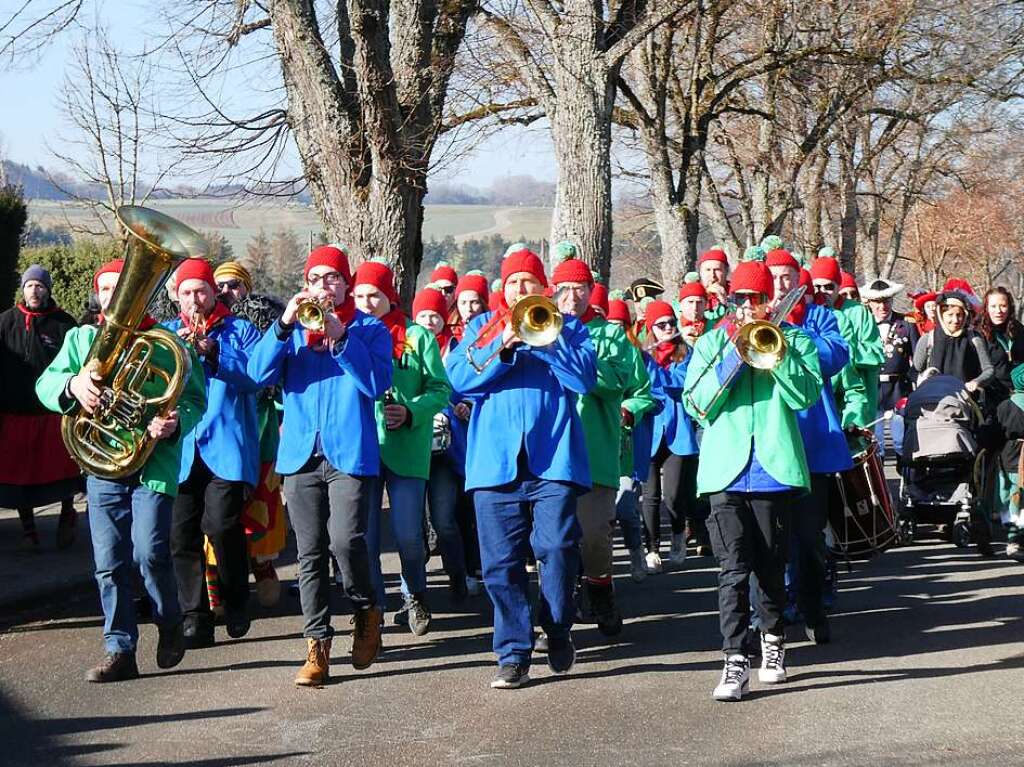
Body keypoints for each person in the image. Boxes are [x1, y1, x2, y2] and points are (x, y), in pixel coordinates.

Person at [35, 258, 207, 682]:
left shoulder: (168, 343)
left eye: (123, 288)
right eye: (108, 290)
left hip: (153, 463)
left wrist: (174, 422)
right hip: (102, 464)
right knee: (108, 562)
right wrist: (73, 386)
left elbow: (195, 399)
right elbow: (45, 385)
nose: (116, 297)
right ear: (99, 296)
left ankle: (169, 620)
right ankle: (119, 649)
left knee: (149, 553)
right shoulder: (80, 339)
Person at [446, 247, 597, 690]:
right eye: (513, 283)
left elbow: (585, 380)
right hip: (494, 465)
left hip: (553, 460)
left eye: (528, 282)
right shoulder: (481, 327)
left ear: (542, 288)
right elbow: (459, 377)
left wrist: (548, 343)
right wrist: (504, 344)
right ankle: (512, 652)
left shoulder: (567, 328)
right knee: (499, 565)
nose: (520, 290)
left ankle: (556, 626)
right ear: (502, 291)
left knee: (558, 548)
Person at [247, 245, 388, 687]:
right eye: (315, 279)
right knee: (308, 554)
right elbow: (256, 375)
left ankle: (366, 611)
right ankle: (317, 647)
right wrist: (283, 323)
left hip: (349, 453)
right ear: (306, 286)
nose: (323, 285)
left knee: (346, 543)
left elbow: (377, 383)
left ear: (346, 284)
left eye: (332, 278)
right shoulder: (290, 332)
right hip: (301, 456)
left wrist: (341, 337)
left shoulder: (369, 329)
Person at [684, 258, 822, 702]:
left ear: (770, 301)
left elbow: (805, 395)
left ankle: (774, 642)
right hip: (725, 470)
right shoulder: (710, 344)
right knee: (733, 568)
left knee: (769, 567)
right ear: (731, 301)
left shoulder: (795, 340)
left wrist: (774, 354)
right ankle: (734, 660)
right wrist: (734, 357)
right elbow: (697, 404)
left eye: (757, 299)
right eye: (741, 299)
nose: (749, 307)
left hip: (773, 469)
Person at [545, 243, 654, 640]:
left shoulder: (611, 335)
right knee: (554, 538)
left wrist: (629, 407)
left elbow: (631, 384)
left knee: (593, 534)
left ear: (592, 292)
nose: (570, 297)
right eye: (563, 289)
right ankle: (558, 608)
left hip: (597, 448)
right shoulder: (540, 327)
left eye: (579, 289)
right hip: (551, 452)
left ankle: (601, 590)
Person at [165, 259, 262, 648]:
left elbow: (257, 376)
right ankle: (195, 617)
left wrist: (216, 354)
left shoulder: (240, 331)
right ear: (177, 298)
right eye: (186, 293)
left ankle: (237, 600)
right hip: (182, 449)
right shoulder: (169, 333)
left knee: (221, 526)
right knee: (179, 536)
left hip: (227, 447)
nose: (194, 300)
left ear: (213, 292)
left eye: (200, 292)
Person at [354, 261, 451, 635]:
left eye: (373, 296)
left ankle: (414, 593)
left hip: (407, 446)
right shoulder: (347, 333)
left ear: (389, 296)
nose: (366, 303)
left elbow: (440, 390)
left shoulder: (417, 336)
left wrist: (410, 412)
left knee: (409, 534)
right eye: (360, 295)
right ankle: (375, 608)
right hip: (363, 447)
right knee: (368, 538)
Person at [766, 248, 854, 643]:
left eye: (788, 278)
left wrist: (792, 334)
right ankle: (776, 607)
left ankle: (814, 606)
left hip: (813, 442)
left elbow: (836, 356)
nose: (782, 285)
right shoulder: (756, 318)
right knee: (772, 536)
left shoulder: (819, 315)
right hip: (771, 441)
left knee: (808, 535)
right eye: (775, 278)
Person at [212, 260, 289, 609]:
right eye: (221, 286)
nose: (227, 292)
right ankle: (215, 580)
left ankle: (262, 563)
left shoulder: (264, 319)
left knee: (260, 505)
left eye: (234, 285)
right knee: (215, 513)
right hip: (220, 434)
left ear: (247, 287)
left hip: (261, 432)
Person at [0, 264, 81, 550]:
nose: (35, 290)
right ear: (22, 289)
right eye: (30, 285)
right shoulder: (5, 321)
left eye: (40, 285)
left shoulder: (65, 324)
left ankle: (67, 517)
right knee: (19, 476)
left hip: (53, 414)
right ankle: (28, 530)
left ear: (48, 290)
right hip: (16, 414)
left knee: (65, 472)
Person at [641, 299, 699, 573]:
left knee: (673, 495)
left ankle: (678, 536)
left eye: (671, 323)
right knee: (649, 495)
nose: (667, 328)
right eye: (661, 324)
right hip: (650, 432)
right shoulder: (642, 355)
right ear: (651, 328)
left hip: (678, 432)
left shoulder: (685, 353)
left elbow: (683, 384)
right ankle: (651, 548)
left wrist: (657, 380)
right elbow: (641, 386)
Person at [606, 293, 658, 582]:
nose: (612, 330)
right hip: (585, 445)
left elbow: (643, 395)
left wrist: (628, 409)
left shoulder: (632, 353)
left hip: (620, 446)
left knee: (625, 506)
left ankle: (636, 550)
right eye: (608, 322)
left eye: (618, 324)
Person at [809, 252, 882, 433]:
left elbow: (876, 353)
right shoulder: (810, 313)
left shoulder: (859, 312)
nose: (822, 292)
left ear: (838, 286)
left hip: (856, 392)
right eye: (817, 287)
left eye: (828, 287)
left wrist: (845, 352)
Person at [860, 278, 917, 459]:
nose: (882, 306)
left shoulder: (906, 324)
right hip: (873, 388)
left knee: (901, 439)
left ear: (892, 300)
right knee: (876, 443)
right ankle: (880, 482)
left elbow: (917, 359)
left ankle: (906, 477)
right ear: (869, 303)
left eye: (886, 301)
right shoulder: (862, 325)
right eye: (877, 302)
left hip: (899, 390)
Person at [913, 288, 994, 392]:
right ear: (941, 315)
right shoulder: (928, 339)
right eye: (950, 315)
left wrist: (976, 381)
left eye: (959, 315)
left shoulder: (974, 338)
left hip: (965, 399)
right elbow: (916, 369)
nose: (955, 320)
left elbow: (988, 370)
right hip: (934, 400)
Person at [994, 363, 1024, 561]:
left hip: (1009, 456)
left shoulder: (1005, 406)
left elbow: (994, 432)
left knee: (1011, 495)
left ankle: (1013, 537)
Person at [976, 287, 1024, 407]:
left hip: (1019, 392)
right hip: (991, 396)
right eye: (993, 306)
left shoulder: (1018, 329)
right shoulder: (977, 333)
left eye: (1003, 306)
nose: (998, 311)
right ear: (986, 308)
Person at [697, 247, 730, 324]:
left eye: (717, 270)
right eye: (708, 270)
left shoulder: (737, 294)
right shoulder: (690, 295)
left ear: (726, 271)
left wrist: (725, 302)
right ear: (701, 273)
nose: (712, 275)